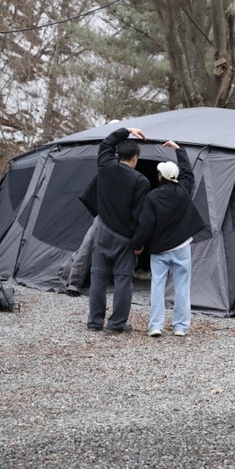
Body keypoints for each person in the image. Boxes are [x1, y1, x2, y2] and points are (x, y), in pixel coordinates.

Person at [132, 140, 205, 337]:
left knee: (157, 287)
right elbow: (188, 173)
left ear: (160, 177)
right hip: (182, 247)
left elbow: (145, 225)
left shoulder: (152, 197)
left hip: (160, 250)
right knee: (182, 287)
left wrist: (137, 245)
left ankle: (156, 326)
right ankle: (180, 327)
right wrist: (179, 150)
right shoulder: (184, 191)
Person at [87, 126, 149, 333]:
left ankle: (94, 322)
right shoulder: (140, 181)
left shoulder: (105, 166)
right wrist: (138, 243)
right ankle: (116, 324)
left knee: (98, 278)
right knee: (123, 281)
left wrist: (127, 130)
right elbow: (139, 215)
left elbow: (106, 143)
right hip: (125, 237)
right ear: (135, 158)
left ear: (118, 155)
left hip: (103, 230)